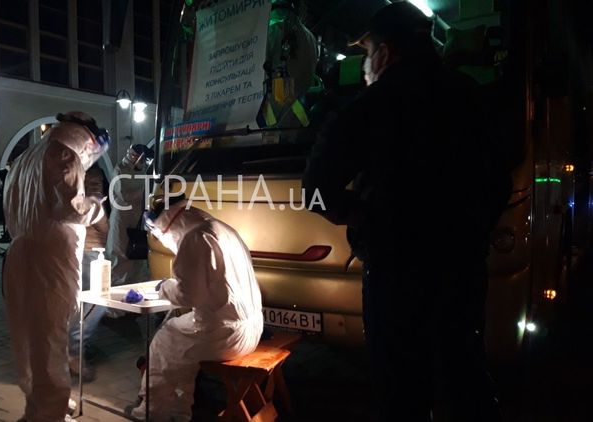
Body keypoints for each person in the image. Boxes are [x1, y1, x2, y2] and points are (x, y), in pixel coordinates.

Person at [302, 3, 508, 421]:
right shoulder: (469, 96)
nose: (365, 65)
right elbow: (499, 184)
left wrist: (363, 217)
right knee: (464, 378)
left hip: (395, 274)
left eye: (367, 52)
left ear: (385, 52)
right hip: (461, 269)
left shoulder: (370, 107)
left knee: (401, 392)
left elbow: (315, 192)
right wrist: (472, 229)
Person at [2, 111, 108, 422]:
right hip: (51, 259)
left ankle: (37, 407)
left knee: (30, 338)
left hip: (20, 254)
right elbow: (72, 209)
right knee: (50, 339)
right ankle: (49, 414)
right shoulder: (65, 153)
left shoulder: (26, 158)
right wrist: (96, 208)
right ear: (88, 141)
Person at [131, 197, 264, 421]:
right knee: (180, 343)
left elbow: (188, 295)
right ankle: (179, 411)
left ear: (166, 226)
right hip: (252, 328)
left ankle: (151, 412)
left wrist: (164, 288)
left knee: (164, 343)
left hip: (223, 335)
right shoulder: (222, 229)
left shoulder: (195, 238)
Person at [68, 164, 110, 381]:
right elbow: (102, 224)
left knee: (83, 304)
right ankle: (74, 351)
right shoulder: (89, 200)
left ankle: (72, 348)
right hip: (89, 253)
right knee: (98, 302)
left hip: (84, 252)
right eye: (93, 183)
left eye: (99, 183)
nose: (97, 187)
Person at [106, 143, 154, 287]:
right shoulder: (120, 170)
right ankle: (118, 293)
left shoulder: (143, 171)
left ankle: (135, 291)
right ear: (134, 157)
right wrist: (147, 190)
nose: (144, 163)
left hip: (137, 219)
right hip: (122, 220)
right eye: (142, 159)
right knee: (120, 255)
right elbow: (125, 196)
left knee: (137, 257)